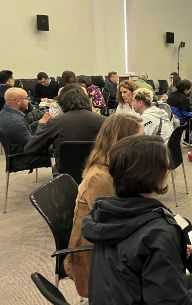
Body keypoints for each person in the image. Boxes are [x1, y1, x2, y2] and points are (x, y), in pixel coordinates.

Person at [82, 135, 192, 305]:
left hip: (116, 296)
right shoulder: (158, 232)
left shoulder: (103, 213)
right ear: (154, 174)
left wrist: (172, 253)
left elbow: (130, 259)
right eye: (167, 167)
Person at [64, 114, 144, 297]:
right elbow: (115, 227)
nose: (145, 143)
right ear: (122, 142)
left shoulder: (114, 167)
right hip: (94, 256)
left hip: (108, 243)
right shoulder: (102, 177)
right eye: (140, 139)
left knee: (178, 228)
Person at [25, 85, 106, 167]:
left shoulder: (55, 122)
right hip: (97, 169)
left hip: (66, 172)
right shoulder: (104, 121)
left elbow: (31, 148)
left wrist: (41, 125)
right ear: (88, 101)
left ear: (62, 104)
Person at [0, 88, 51, 171]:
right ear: (18, 101)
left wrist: (39, 122)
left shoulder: (5, 113)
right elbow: (34, 145)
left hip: (20, 152)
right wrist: (41, 124)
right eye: (26, 98)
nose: (29, 101)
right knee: (59, 153)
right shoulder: (14, 121)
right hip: (21, 158)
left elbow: (24, 131)